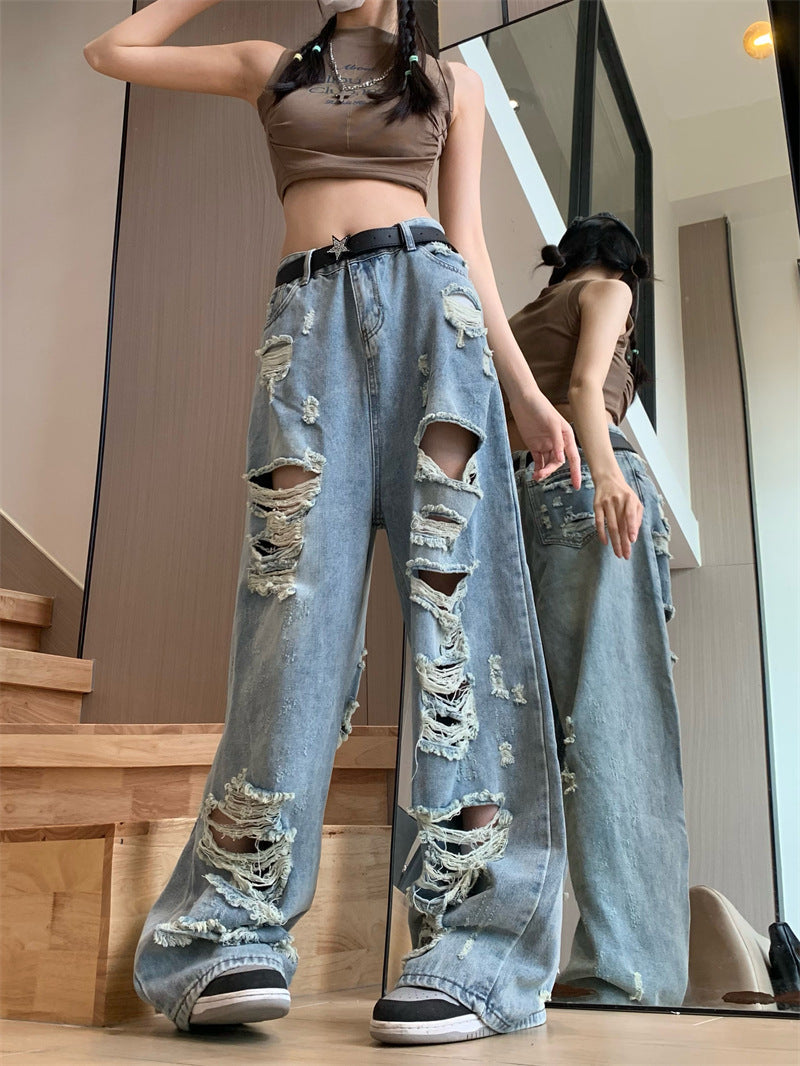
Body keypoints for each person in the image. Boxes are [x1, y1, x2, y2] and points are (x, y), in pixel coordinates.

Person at [84, 0, 581, 1044]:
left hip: (434, 312)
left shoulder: (449, 81)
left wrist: (530, 397)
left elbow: (471, 247)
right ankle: (228, 929)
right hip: (307, 328)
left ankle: (478, 944)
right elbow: (111, 50)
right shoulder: (270, 65)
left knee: (456, 610)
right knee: (289, 612)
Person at [507, 213, 690, 1006]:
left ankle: (507, 958)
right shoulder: (609, 292)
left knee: (523, 738)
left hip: (515, 499)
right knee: (619, 725)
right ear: (626, 266)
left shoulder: (521, 318)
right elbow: (586, 388)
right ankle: (624, 971)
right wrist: (610, 478)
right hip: (587, 487)